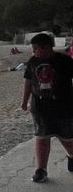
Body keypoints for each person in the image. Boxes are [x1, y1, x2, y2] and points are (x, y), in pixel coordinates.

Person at [20, 33, 73, 183]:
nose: (35, 52)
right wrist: (24, 101)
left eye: (37, 49)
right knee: (42, 137)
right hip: (40, 108)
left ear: (47, 47)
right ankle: (41, 170)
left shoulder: (64, 61)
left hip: (64, 107)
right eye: (34, 49)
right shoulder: (32, 62)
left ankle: (71, 156)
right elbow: (28, 83)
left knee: (67, 138)